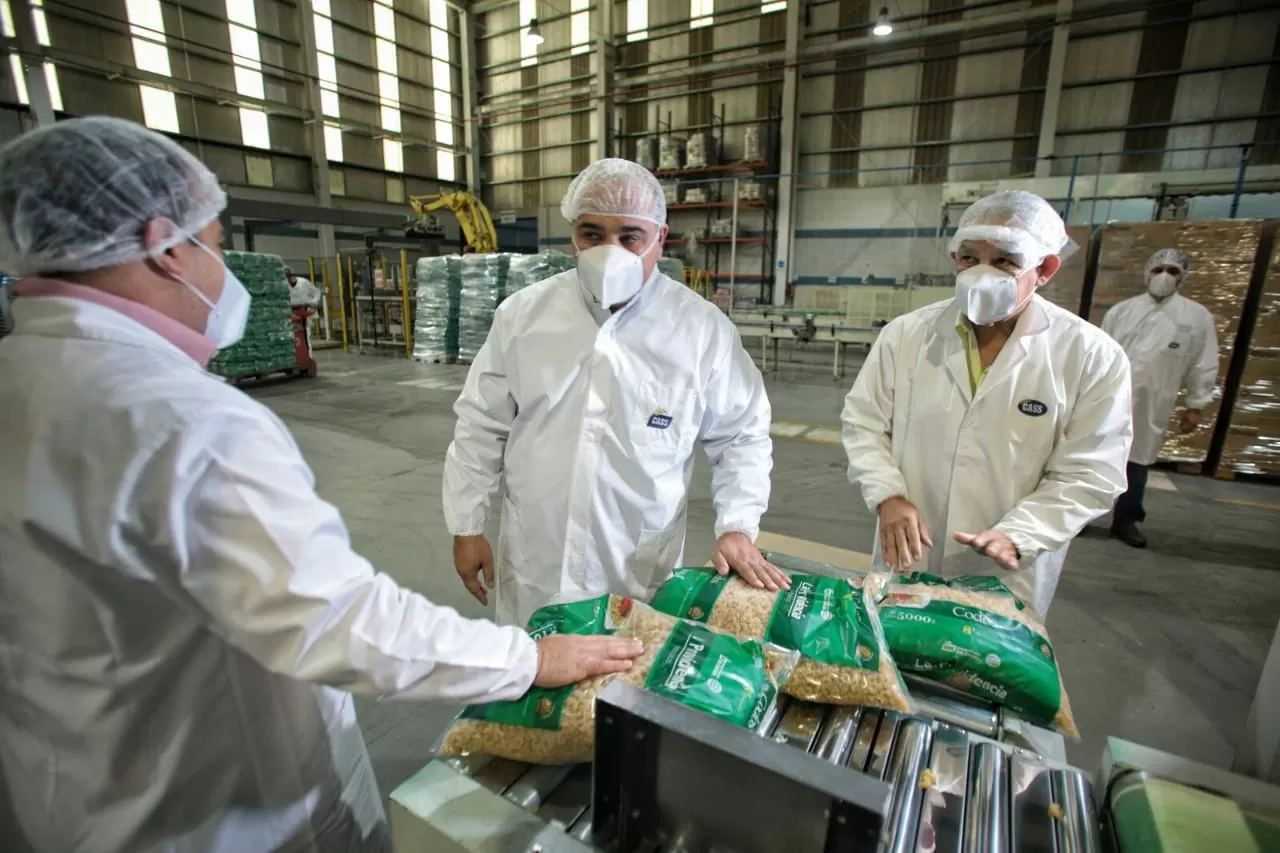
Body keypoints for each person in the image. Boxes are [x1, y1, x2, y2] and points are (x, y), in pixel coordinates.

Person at [0, 116, 642, 853]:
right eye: (212, 246)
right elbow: (333, 619)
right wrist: (526, 659)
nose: (221, 272)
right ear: (163, 246)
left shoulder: (22, 378)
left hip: (58, 796)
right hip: (219, 812)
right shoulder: (183, 423)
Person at [443, 158, 783, 628]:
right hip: (537, 557)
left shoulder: (701, 331)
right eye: (591, 234)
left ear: (660, 239)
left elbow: (742, 434)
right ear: (572, 236)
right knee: (534, 683)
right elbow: (481, 423)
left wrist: (738, 526)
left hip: (636, 568)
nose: (609, 252)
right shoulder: (523, 316)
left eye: (629, 238)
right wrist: (467, 524)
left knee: (625, 686)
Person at [841, 191, 1133, 615]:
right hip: (906, 554)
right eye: (969, 258)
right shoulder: (906, 335)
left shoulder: (1090, 356)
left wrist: (1020, 533)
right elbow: (863, 422)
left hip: (1005, 571)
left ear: (1045, 268)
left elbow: (1091, 472)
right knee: (890, 661)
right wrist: (889, 496)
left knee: (985, 672)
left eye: (1004, 262)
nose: (981, 275)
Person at [1102, 249, 1218, 548]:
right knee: (1094, 455)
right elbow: (1096, 354)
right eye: (1158, 270)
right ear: (1147, 273)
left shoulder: (1196, 318)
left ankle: (1126, 520)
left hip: (1155, 400)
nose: (1164, 277)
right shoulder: (1122, 312)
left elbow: (1203, 362)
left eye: (1173, 271)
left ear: (1183, 277)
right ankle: (1079, 517)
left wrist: (1196, 404)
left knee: (1137, 462)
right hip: (1108, 396)